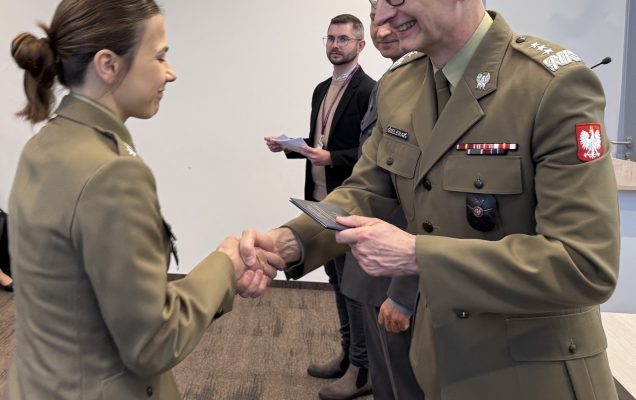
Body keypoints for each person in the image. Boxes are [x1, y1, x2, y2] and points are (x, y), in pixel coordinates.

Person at [241, 0, 621, 399]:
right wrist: (290, 242)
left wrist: (417, 256)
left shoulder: (551, 85)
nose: (383, 18)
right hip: (433, 361)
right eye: (375, 4)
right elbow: (368, 190)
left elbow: (583, 263)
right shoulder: (402, 83)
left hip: (532, 375)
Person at [7, 1, 282, 399]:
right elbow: (152, 342)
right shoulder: (113, 173)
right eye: (160, 55)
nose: (171, 72)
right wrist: (226, 263)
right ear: (109, 65)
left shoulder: (45, 144)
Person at [264, 14, 375, 400]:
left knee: (355, 288)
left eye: (344, 39)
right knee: (336, 282)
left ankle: (362, 370)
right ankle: (348, 356)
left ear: (361, 46)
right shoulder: (320, 90)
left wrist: (332, 158)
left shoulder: (369, 91)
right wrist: (291, 148)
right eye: (330, 38)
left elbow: (369, 155)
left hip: (349, 202)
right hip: (318, 201)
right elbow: (318, 142)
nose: (335, 45)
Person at [338, 8, 424, 400]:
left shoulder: (428, 85)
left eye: (396, 14)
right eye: (375, 15)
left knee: (404, 384)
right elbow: (372, 172)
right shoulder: (394, 81)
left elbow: (424, 197)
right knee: (387, 381)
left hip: (402, 266)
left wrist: (404, 292)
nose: (383, 28)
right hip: (373, 258)